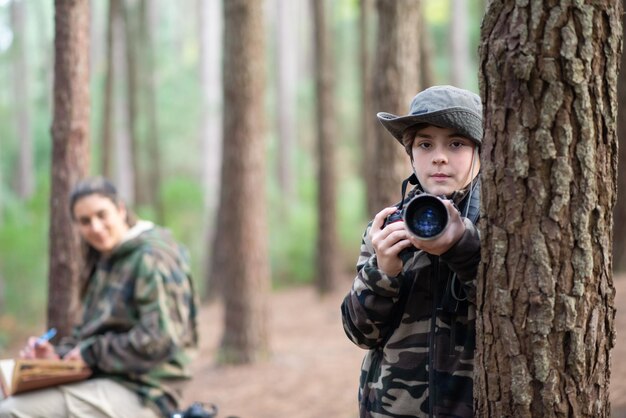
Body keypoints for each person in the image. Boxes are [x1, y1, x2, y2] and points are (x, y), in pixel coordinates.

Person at [0, 176, 199, 418]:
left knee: (12, 411)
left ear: (121, 210)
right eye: (85, 221)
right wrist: (56, 357)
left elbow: (160, 339)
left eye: (101, 215)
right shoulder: (107, 259)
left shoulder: (152, 258)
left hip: (145, 391)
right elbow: (92, 333)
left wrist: (90, 353)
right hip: (100, 379)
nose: (95, 227)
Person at [341, 85, 482, 418]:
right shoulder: (389, 227)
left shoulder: (504, 228)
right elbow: (360, 333)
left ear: (481, 151)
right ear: (411, 154)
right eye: (425, 144)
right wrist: (383, 271)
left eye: (457, 143)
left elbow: (517, 314)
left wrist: (462, 247)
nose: (439, 157)